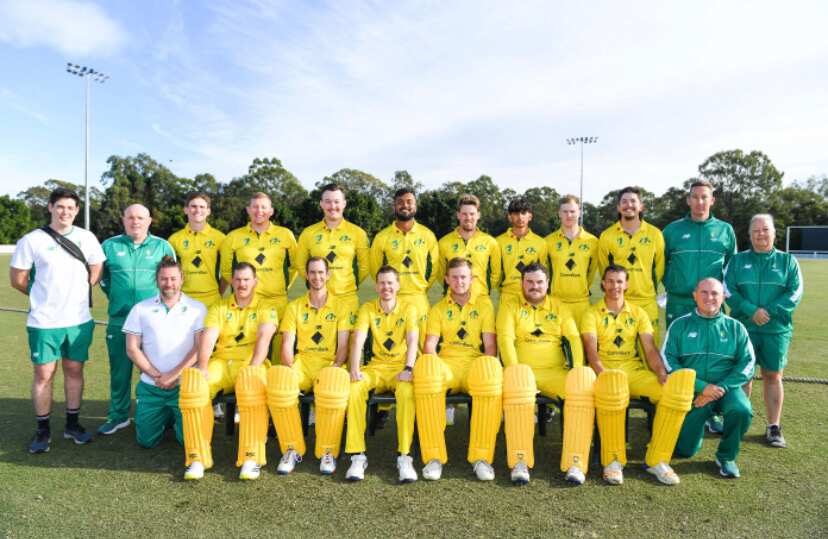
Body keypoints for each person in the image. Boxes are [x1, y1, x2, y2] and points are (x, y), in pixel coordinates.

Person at [580, 265, 695, 485]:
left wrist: (662, 373)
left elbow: (650, 350)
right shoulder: (591, 313)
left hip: (633, 372)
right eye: (610, 281)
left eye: (620, 281)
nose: (615, 286)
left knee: (672, 391)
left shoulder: (638, 313)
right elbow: (592, 355)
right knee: (613, 390)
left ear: (627, 284)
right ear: (603, 284)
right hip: (606, 373)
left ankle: (657, 459)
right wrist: (605, 376)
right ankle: (613, 461)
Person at [10, 188, 105, 453]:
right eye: (60, 207)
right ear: (50, 207)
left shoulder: (87, 237)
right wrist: (42, 295)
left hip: (78, 321)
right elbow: (17, 278)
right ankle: (42, 430)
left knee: (75, 371)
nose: (66, 212)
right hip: (44, 321)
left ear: (77, 211)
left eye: (71, 208)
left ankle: (73, 425)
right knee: (44, 374)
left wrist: (88, 283)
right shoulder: (32, 240)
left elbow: (97, 265)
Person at [178, 263, 279, 480]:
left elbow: (264, 338)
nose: (242, 284)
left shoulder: (266, 307)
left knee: (252, 385)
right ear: (232, 281)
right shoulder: (219, 307)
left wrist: (253, 366)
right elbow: (209, 337)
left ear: (255, 282)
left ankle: (251, 457)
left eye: (246, 279)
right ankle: (197, 458)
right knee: (194, 385)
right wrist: (203, 366)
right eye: (238, 280)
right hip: (222, 363)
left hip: (251, 362)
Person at [496, 263, 591, 485]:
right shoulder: (509, 306)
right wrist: (516, 371)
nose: (534, 286)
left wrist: (577, 369)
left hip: (554, 373)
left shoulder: (560, 307)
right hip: (521, 371)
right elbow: (505, 340)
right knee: (520, 395)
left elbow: (574, 339)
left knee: (581, 392)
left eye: (539, 282)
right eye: (529, 282)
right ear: (521, 283)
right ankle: (520, 461)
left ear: (548, 283)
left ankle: (575, 462)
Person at [259, 256, 352, 476]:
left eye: (321, 272)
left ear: (328, 275)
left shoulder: (340, 306)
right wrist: (289, 368)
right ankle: (291, 449)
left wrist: (337, 367)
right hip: (303, 363)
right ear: (306, 275)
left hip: (329, 363)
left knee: (332, 383)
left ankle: (328, 451)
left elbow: (344, 345)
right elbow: (287, 344)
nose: (317, 277)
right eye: (312, 272)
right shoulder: (295, 306)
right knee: (281, 382)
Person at [414, 258, 501, 481]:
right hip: (447, 365)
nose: (459, 281)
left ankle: (481, 458)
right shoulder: (439, 308)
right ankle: (433, 458)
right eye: (454, 277)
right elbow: (430, 347)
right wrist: (433, 367)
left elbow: (490, 346)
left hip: (474, 364)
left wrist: (484, 367)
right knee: (426, 373)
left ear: (472, 279)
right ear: (447, 280)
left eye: (464, 277)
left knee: (489, 377)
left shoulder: (484, 305)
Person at [662, 179, 737, 436]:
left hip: (712, 305)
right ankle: (679, 406)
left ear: (712, 200)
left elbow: (731, 269)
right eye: (695, 197)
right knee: (679, 355)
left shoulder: (725, 230)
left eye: (704, 197)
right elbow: (660, 266)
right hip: (680, 302)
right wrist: (675, 285)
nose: (700, 201)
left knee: (714, 357)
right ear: (688, 200)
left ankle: (712, 412)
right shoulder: (672, 231)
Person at [663, 278, 755, 479]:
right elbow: (668, 361)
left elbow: (747, 364)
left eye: (715, 293)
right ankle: (700, 422)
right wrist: (701, 387)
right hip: (692, 391)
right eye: (703, 292)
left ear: (723, 298)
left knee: (742, 409)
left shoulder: (736, 327)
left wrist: (719, 388)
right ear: (694, 296)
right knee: (684, 451)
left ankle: (726, 457)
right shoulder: (680, 325)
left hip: (725, 390)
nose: (709, 297)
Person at [724, 214, 803, 448]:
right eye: (756, 230)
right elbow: (727, 290)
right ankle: (739, 421)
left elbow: (795, 293)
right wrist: (750, 310)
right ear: (749, 234)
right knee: (742, 375)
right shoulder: (737, 262)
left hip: (775, 330)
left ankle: (773, 426)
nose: (761, 234)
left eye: (765, 229)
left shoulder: (788, 262)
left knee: (773, 376)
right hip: (744, 328)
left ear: (774, 233)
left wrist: (767, 311)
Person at [99, 204, 175, 435]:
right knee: (120, 371)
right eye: (131, 217)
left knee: (159, 367)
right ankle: (119, 415)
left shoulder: (162, 246)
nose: (136, 222)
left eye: (141, 218)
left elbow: (172, 280)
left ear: (149, 220)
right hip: (120, 319)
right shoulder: (109, 246)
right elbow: (104, 280)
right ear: (123, 219)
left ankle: (165, 414)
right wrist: (119, 298)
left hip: (153, 321)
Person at [344, 266, 420, 483]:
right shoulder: (368, 308)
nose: (386, 287)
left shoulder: (409, 308)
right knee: (355, 388)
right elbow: (358, 339)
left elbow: (413, 340)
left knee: (407, 392)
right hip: (376, 367)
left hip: (399, 368)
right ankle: (357, 456)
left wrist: (408, 368)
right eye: (382, 283)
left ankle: (405, 456)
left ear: (397, 285)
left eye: (390, 283)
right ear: (376, 286)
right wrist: (354, 368)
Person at [122, 257, 206, 451]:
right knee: (146, 441)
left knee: (189, 443)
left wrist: (174, 375)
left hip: (184, 386)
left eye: (173, 278)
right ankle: (165, 415)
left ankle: (172, 416)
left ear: (182, 278)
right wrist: (159, 377)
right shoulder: (140, 308)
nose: (169, 283)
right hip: (152, 386)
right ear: (157, 280)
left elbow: (199, 348)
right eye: (164, 279)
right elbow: (132, 349)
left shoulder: (197, 308)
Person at [598, 187, 665, 344]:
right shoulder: (607, 236)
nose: (629, 205)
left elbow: (660, 267)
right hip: (619, 302)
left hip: (647, 302)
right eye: (624, 201)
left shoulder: (655, 234)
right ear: (618, 207)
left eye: (633, 201)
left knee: (650, 353)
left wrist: (647, 287)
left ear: (641, 206)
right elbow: (604, 269)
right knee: (619, 351)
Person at [296, 183, 370, 318]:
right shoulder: (308, 233)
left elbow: (365, 266)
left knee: (347, 339)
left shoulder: (358, 233)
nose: (332, 206)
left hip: (347, 299)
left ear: (344, 204)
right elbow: (300, 265)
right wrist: (316, 283)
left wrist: (349, 283)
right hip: (318, 299)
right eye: (328, 202)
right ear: (321, 204)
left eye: (336, 201)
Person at [369, 187, 438, 330]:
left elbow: (434, 269)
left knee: (422, 347)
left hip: (418, 298)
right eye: (400, 202)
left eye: (409, 201)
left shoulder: (427, 235)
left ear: (415, 205)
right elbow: (375, 269)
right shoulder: (382, 237)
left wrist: (421, 287)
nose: (405, 205)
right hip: (392, 299)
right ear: (394, 206)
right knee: (394, 347)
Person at [219, 192, 296, 318]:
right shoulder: (233, 237)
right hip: (245, 302)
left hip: (276, 302)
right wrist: (242, 288)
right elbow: (226, 270)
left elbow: (295, 265)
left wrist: (282, 284)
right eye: (255, 207)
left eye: (264, 207)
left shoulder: (286, 235)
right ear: (248, 210)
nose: (259, 211)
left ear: (271, 211)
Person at [545, 195, 598, 325]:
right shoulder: (548, 241)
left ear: (579, 212)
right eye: (565, 211)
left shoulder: (593, 242)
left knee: (581, 344)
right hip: (556, 302)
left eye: (573, 211)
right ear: (559, 213)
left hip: (581, 304)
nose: (569, 215)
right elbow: (545, 271)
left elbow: (591, 272)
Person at [435, 194, 501, 298]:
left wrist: (481, 288)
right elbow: (440, 274)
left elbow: (496, 275)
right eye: (464, 214)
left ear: (478, 215)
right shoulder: (444, 242)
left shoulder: (490, 242)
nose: (468, 217)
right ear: (458, 215)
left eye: (472, 214)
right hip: (452, 299)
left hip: (480, 299)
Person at [168, 192, 227, 307]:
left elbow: (227, 270)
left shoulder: (220, 238)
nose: (197, 210)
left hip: (212, 299)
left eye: (202, 207)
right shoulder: (174, 239)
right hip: (183, 299)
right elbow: (168, 272)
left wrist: (220, 291)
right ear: (186, 209)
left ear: (208, 211)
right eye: (193, 206)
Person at [496, 197, 547, 306]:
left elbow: (544, 273)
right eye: (515, 213)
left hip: (531, 296)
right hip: (507, 296)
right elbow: (496, 273)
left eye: (523, 213)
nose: (520, 217)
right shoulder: (498, 242)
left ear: (530, 216)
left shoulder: (541, 243)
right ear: (509, 217)